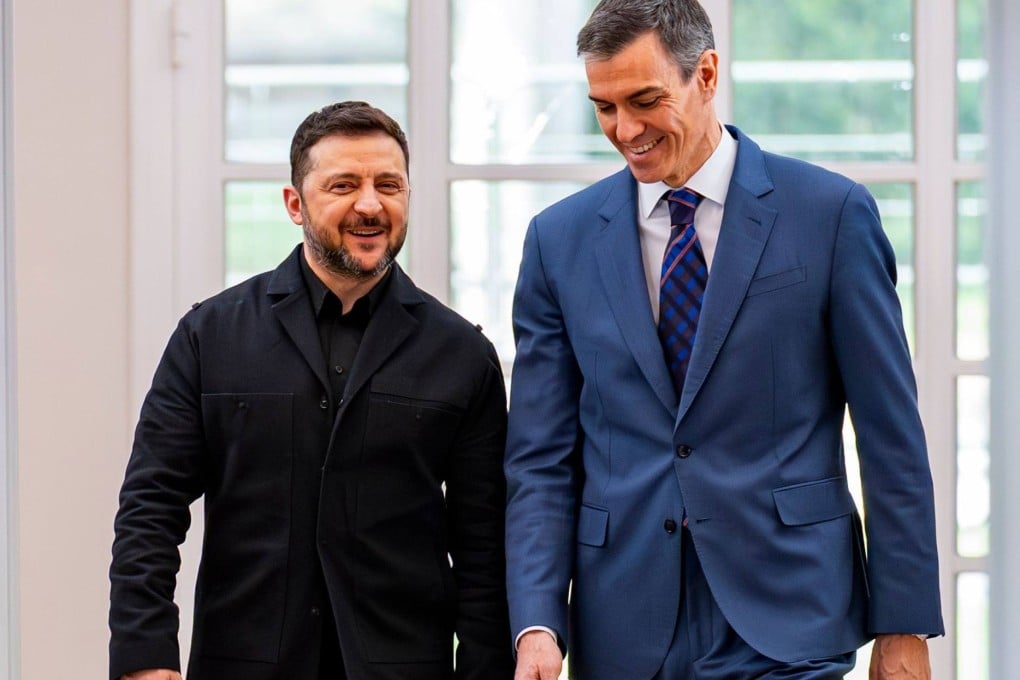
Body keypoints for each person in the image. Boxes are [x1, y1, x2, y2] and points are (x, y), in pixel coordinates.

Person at [504, 1, 944, 678]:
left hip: (790, 615)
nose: (625, 130)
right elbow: (540, 458)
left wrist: (904, 626)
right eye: (604, 107)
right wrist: (537, 622)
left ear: (705, 74)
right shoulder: (557, 242)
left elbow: (891, 438)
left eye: (644, 100)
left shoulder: (830, 215)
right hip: (625, 624)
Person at [110, 101, 515, 680]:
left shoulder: (464, 356)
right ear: (295, 204)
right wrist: (144, 658)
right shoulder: (209, 336)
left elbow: (484, 547)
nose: (370, 204)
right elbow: (151, 508)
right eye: (344, 185)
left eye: (389, 184)